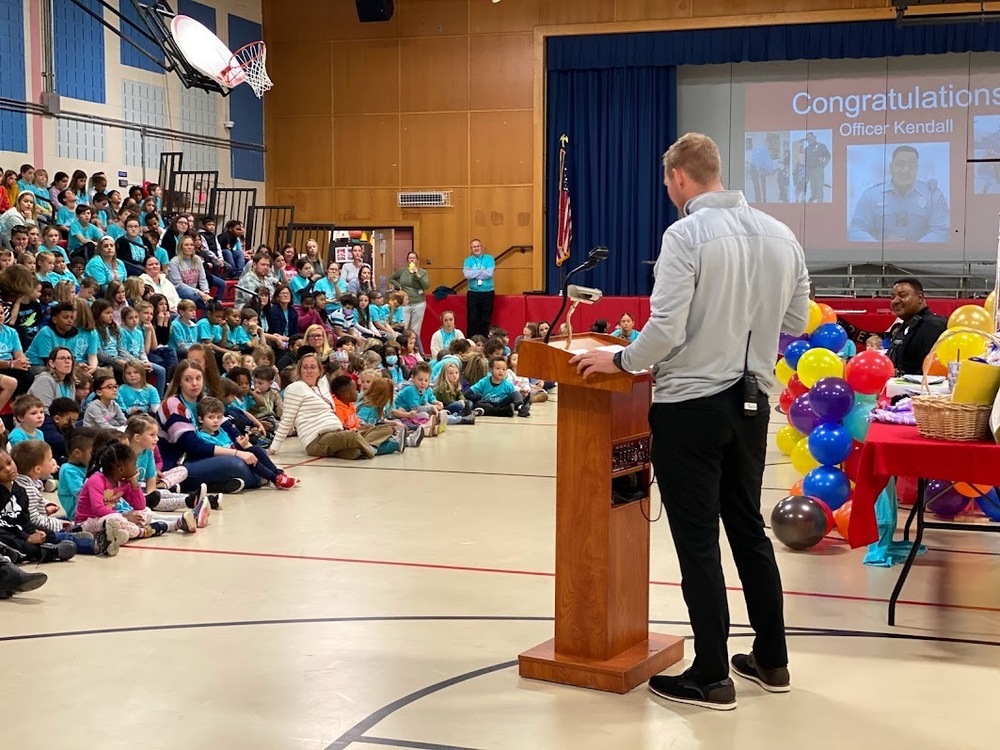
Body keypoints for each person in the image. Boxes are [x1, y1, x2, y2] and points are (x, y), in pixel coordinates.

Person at [570, 132, 810, 710]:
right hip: (751, 405)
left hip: (691, 407)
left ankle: (710, 674)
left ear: (678, 177)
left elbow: (666, 329)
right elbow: (797, 321)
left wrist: (620, 360)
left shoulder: (686, 234)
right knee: (748, 530)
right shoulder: (782, 235)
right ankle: (771, 660)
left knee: (698, 540)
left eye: (667, 182)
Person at [157, 359, 262, 494]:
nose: (194, 383)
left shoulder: (204, 400)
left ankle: (215, 485)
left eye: (198, 378)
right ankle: (259, 479)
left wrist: (245, 446)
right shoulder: (172, 404)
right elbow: (193, 446)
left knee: (257, 453)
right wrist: (237, 453)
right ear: (179, 382)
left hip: (202, 458)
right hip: (178, 464)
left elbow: (230, 430)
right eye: (188, 379)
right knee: (235, 464)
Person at [269, 353, 384, 460]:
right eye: (305, 367)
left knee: (383, 430)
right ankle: (371, 450)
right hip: (316, 439)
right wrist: (274, 447)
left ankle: (360, 450)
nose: (309, 371)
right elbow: (287, 419)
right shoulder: (295, 388)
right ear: (300, 370)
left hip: (337, 432)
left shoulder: (323, 385)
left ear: (319, 370)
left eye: (313, 367)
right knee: (352, 436)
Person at [848, 145, 949, 243]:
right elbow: (856, 231)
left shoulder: (932, 195)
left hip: (920, 254)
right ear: (891, 167)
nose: (905, 170)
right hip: (880, 253)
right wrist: (879, 245)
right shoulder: (871, 195)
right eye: (900, 164)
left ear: (917, 169)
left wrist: (914, 247)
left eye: (911, 165)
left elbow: (942, 231)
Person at [884, 277, 948, 376]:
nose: (895, 301)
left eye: (902, 295)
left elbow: (931, 374)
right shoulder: (905, 326)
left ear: (920, 298)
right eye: (892, 297)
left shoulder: (933, 327)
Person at [390, 251, 429, 343]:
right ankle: (403, 345)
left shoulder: (423, 272)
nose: (412, 260)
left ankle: (415, 346)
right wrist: (399, 286)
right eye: (410, 258)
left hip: (419, 302)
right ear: (407, 260)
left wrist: (417, 275)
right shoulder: (403, 271)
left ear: (417, 260)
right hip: (405, 303)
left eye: (414, 258)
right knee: (403, 326)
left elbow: (426, 286)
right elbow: (392, 278)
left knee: (416, 329)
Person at [463, 239, 495, 338]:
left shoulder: (489, 259)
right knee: (472, 319)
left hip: (487, 293)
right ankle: (471, 341)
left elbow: (489, 274)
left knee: (485, 319)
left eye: (478, 246)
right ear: (471, 249)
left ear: (481, 247)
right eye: (474, 247)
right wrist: (481, 271)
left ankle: (484, 341)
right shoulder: (468, 261)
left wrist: (474, 272)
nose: (476, 248)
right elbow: (467, 275)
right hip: (473, 293)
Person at [802, 131, 831, 202]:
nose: (809, 139)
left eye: (810, 137)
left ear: (814, 137)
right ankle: (814, 197)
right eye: (808, 138)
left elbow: (828, 156)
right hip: (809, 171)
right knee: (812, 186)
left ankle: (820, 201)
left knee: (819, 186)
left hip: (818, 170)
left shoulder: (821, 146)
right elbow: (805, 161)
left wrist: (823, 165)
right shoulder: (806, 149)